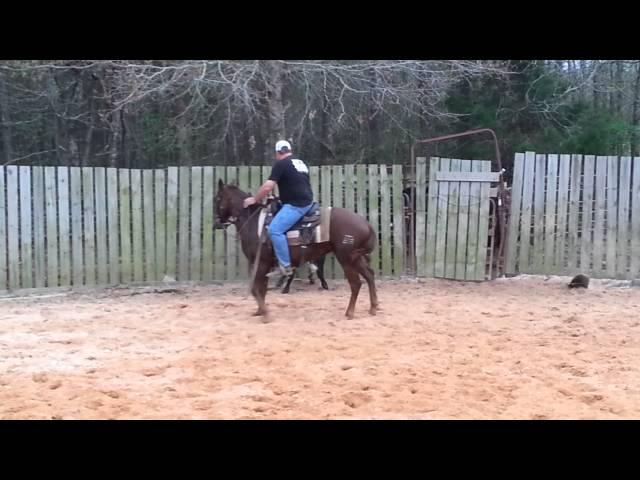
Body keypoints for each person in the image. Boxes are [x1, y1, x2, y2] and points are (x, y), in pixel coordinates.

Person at [243, 140, 314, 276]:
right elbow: (295, 183)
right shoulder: (300, 163)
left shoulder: (282, 163)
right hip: (307, 201)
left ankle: (285, 266)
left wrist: (254, 199)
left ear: (278, 152)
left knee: (275, 230)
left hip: (296, 205)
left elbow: (268, 186)